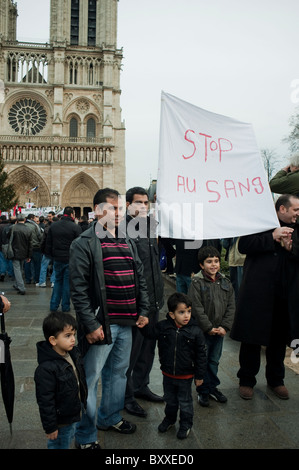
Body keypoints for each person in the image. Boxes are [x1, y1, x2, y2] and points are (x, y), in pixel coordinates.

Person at [69, 188, 150, 449]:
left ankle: (110, 417)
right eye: (113, 208)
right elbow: (78, 289)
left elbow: (140, 277)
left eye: (119, 209)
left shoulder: (127, 239)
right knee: (90, 380)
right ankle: (85, 436)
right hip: (102, 323)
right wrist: (91, 325)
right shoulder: (84, 242)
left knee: (117, 375)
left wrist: (144, 310)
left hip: (128, 322)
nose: (118, 213)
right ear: (97, 211)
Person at [230, 194, 299, 400]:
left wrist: (291, 247)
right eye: (295, 209)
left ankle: (276, 380)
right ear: (282, 209)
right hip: (259, 292)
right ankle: (247, 380)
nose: (298, 213)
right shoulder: (260, 222)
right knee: (252, 337)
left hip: (285, 293)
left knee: (278, 339)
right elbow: (244, 245)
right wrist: (273, 237)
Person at [124, 187, 164, 418]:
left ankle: (141, 386)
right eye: (138, 202)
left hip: (154, 300)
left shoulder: (150, 226)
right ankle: (126, 396)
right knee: (130, 353)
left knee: (148, 350)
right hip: (137, 303)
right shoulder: (122, 230)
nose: (143, 206)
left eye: (146, 203)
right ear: (128, 204)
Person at [153, 292, 206, 439]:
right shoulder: (163, 327)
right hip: (168, 373)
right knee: (170, 400)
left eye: (188, 311)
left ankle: (186, 424)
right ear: (171, 314)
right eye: (181, 312)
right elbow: (149, 333)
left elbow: (201, 355)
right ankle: (169, 419)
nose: (186, 315)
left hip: (186, 375)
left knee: (185, 401)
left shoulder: (195, 331)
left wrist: (200, 375)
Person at [188, 246, 235, 407]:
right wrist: (208, 327)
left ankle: (212, 387)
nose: (213, 265)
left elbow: (231, 306)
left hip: (219, 331)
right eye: (209, 262)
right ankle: (203, 391)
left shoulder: (226, 282)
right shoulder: (196, 282)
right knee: (202, 360)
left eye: (216, 261)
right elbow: (196, 307)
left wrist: (225, 326)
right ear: (202, 265)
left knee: (214, 360)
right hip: (203, 331)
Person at [34, 312, 87, 449]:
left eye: (74, 335)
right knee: (59, 444)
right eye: (67, 336)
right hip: (61, 419)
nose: (73, 339)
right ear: (53, 340)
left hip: (72, 412)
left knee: (68, 438)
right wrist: (50, 426)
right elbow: (45, 400)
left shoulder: (73, 354)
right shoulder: (46, 369)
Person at [46, 206, 81, 313]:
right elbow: (79, 245)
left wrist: (52, 257)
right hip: (70, 259)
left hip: (57, 258)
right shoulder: (75, 227)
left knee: (57, 281)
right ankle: (65, 306)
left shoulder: (54, 226)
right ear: (72, 214)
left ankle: (53, 305)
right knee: (67, 283)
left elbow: (48, 243)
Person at [10, 214, 32, 295]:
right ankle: (18, 284)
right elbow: (30, 243)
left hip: (14, 251)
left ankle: (21, 287)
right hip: (24, 252)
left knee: (17, 269)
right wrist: (29, 255)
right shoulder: (28, 229)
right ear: (25, 220)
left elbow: (8, 238)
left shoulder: (13, 228)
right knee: (20, 269)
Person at [24, 214, 43, 285]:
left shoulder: (24, 226)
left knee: (27, 264)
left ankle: (28, 279)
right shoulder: (35, 226)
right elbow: (39, 236)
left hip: (26, 247)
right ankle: (36, 279)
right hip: (35, 247)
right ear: (32, 218)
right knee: (37, 264)